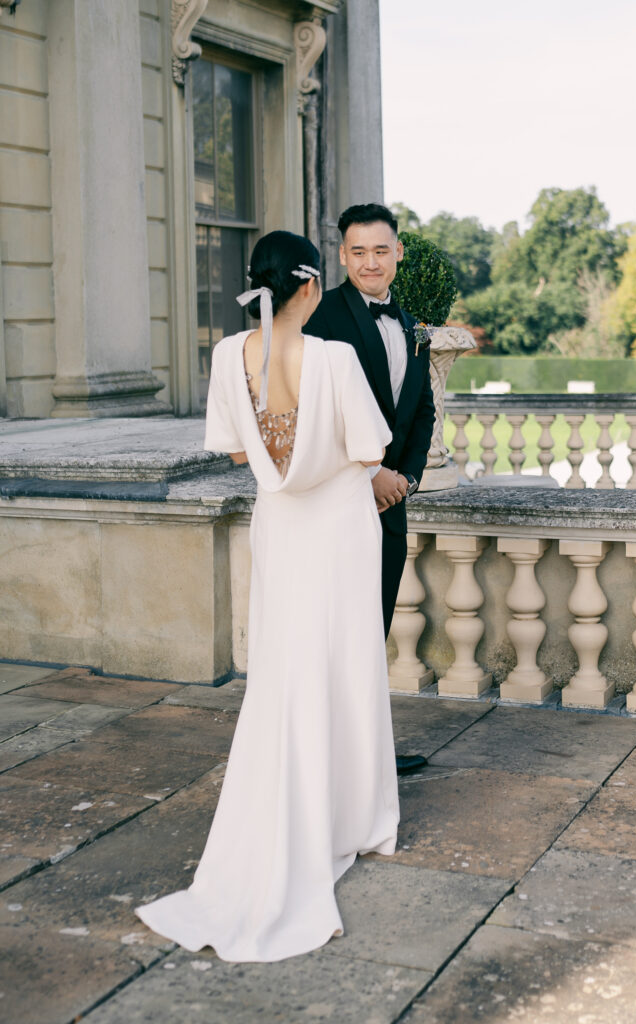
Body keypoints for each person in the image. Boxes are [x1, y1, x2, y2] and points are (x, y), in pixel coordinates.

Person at [135, 230, 399, 963]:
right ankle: (354, 819)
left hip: (280, 530)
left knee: (284, 674)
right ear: (310, 288)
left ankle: (290, 809)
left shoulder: (228, 356)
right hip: (340, 533)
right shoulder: (336, 357)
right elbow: (370, 451)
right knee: (345, 669)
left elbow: (231, 448)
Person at [305, 203, 435, 775]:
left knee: (371, 635)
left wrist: (404, 478)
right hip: (338, 508)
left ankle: (367, 760)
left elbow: (422, 412)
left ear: (397, 252)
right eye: (358, 252)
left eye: (380, 250)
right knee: (334, 638)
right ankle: (327, 761)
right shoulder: (320, 318)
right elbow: (314, 415)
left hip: (389, 510)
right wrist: (369, 474)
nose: (370, 262)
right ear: (342, 255)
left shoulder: (412, 325)